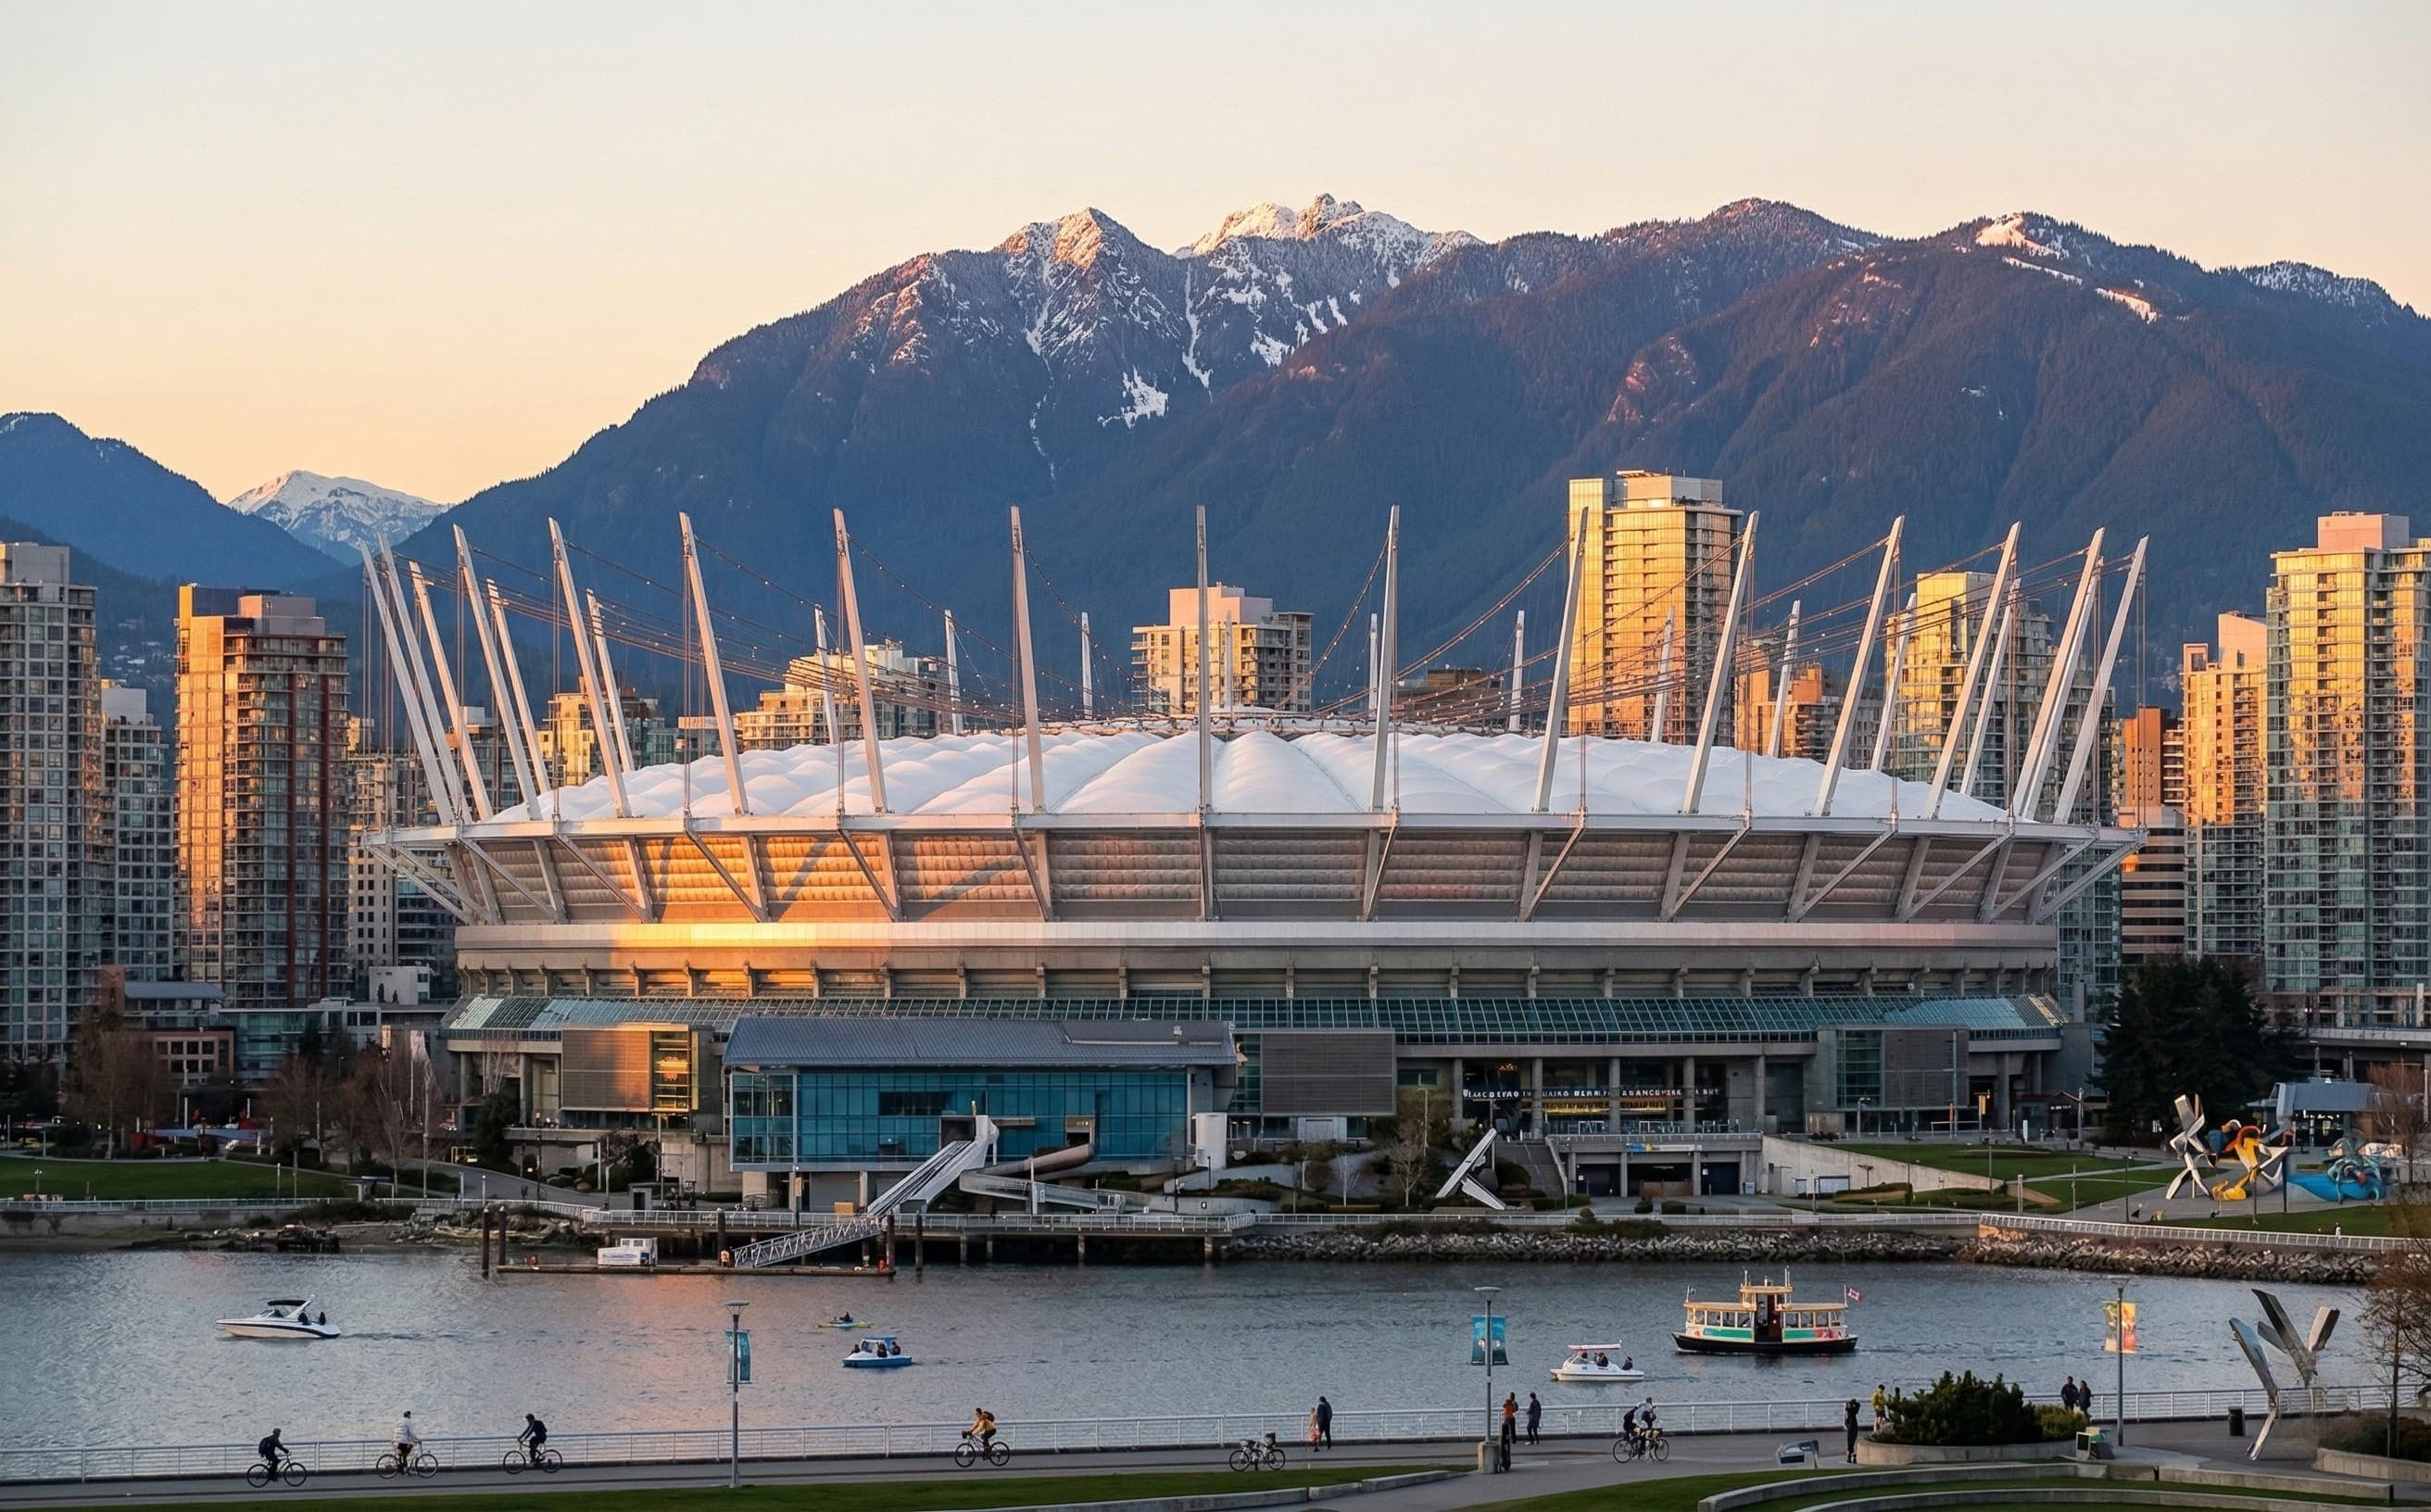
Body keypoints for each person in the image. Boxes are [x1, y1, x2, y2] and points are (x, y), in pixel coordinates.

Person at [1844, 1398, 1860, 1463]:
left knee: (1849, 1441)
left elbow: (1847, 1409)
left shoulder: (1849, 1411)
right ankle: (1853, 1456)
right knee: (1854, 1441)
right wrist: (1854, 1404)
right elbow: (1858, 1405)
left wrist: (1849, 1404)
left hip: (1850, 1427)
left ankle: (1849, 1455)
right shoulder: (1854, 1411)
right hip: (1855, 1426)